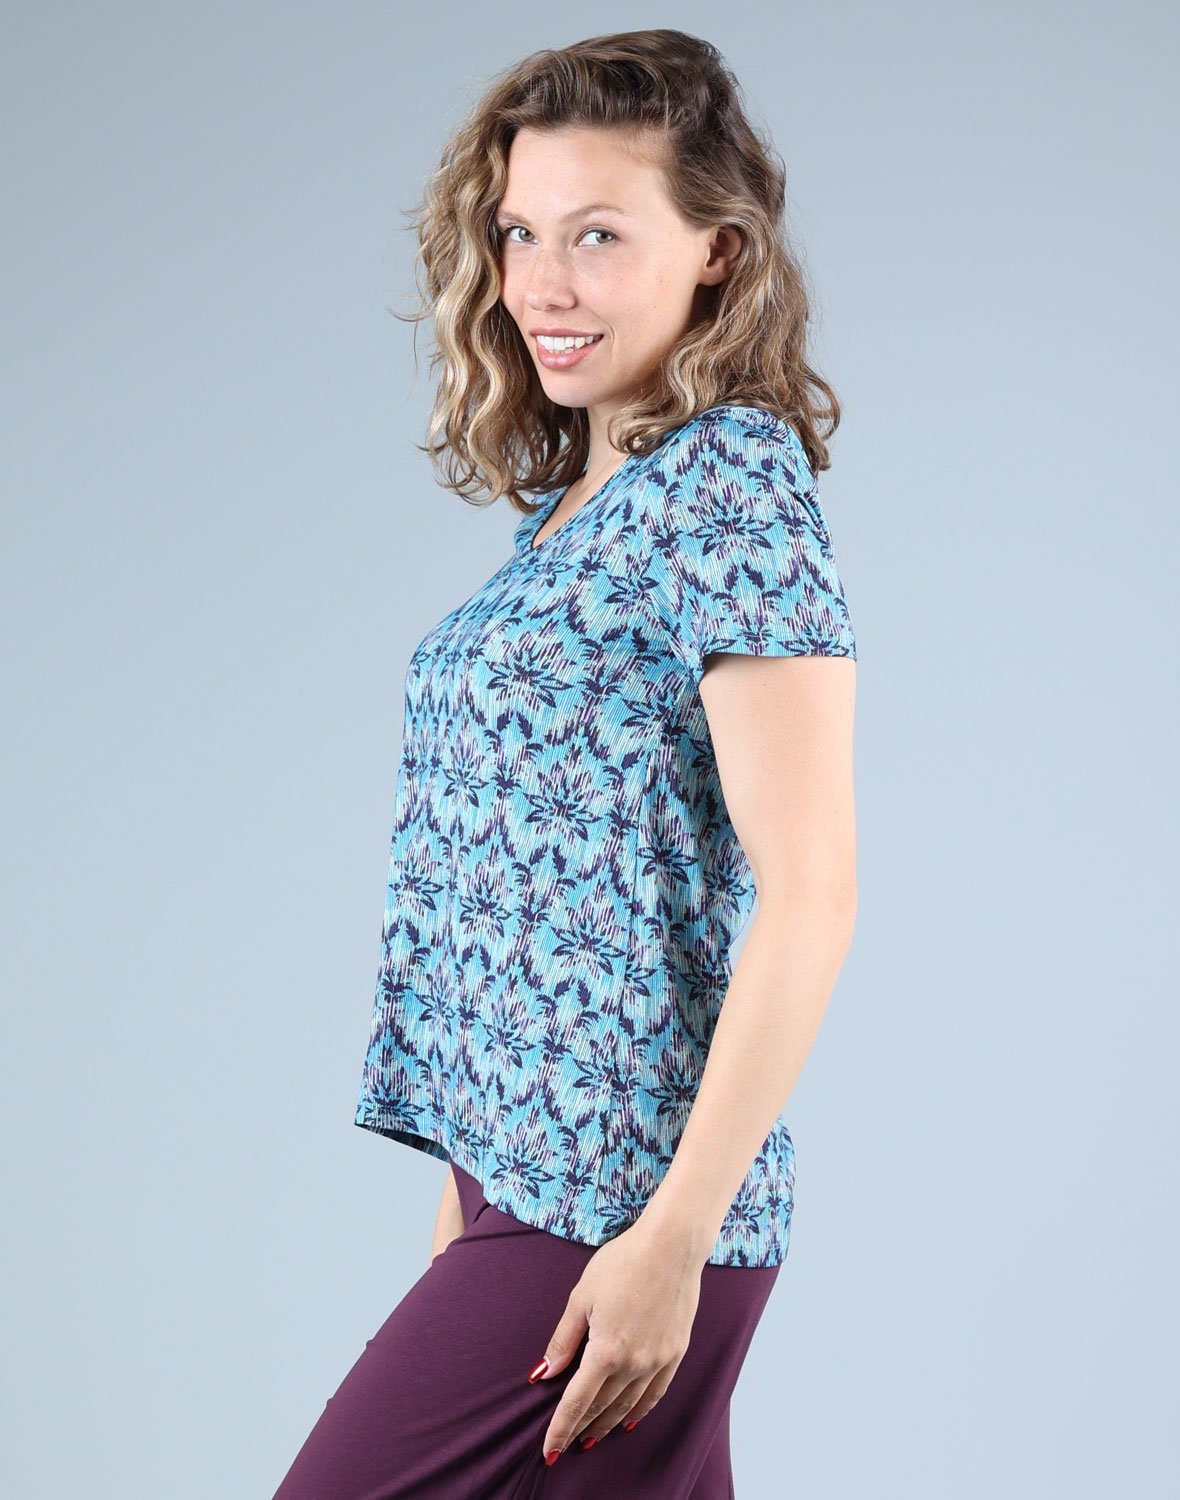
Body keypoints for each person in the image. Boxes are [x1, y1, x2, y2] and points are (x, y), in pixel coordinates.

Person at [272, 26, 858, 1500]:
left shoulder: (728, 484)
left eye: (598, 234)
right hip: (528, 1189)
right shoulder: (581, 511)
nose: (540, 282)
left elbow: (813, 893)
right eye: (520, 232)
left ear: (718, 252)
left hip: (620, 1203)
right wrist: (468, 1198)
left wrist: (673, 1238)